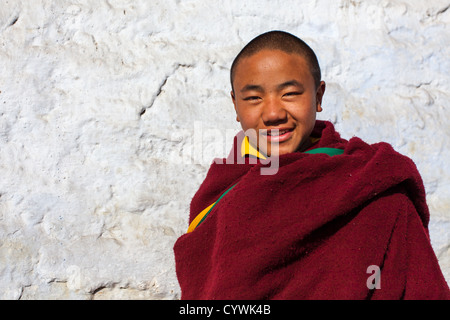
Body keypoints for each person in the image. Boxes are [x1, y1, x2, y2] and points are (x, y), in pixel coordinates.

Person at [173, 30, 450, 299]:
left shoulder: (373, 186)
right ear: (235, 105)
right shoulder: (220, 192)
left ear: (318, 97)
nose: (273, 113)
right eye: (254, 98)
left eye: (290, 93)